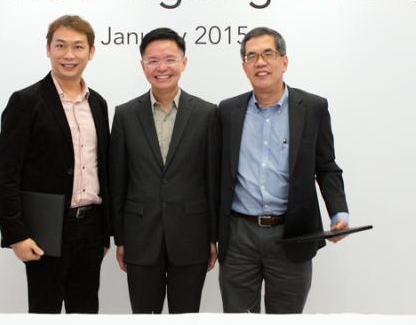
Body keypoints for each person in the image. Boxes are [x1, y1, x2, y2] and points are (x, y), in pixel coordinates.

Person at [217, 26, 350, 313]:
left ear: (284, 61)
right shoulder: (228, 111)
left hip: (292, 233)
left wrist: (338, 212)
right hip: (239, 235)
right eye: (251, 56)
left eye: (268, 54)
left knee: (287, 318)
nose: (260, 62)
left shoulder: (312, 108)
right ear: (244, 67)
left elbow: (326, 166)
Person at [0, 15, 110, 313]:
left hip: (91, 229)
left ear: (91, 52)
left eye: (78, 46)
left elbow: (103, 169)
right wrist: (16, 235)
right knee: (44, 314)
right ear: (48, 49)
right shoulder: (25, 102)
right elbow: (6, 175)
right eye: (60, 45)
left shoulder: (98, 103)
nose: (69, 55)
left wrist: (105, 232)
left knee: (86, 313)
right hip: (45, 230)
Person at [109, 27, 219, 313]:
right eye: (153, 60)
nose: (162, 68)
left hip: (192, 236)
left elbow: (212, 180)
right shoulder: (125, 114)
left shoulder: (207, 114)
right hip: (140, 237)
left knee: (186, 315)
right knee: (144, 315)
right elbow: (117, 180)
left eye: (170, 59)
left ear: (184, 63)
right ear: (142, 65)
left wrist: (212, 237)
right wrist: (120, 238)